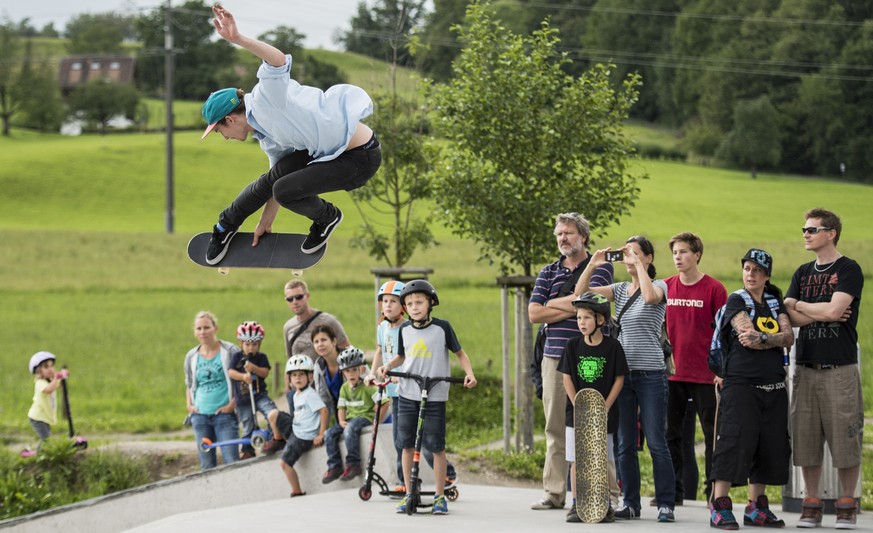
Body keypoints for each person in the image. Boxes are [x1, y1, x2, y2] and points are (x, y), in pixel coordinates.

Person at [200, 3, 381, 264]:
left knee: (285, 190)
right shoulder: (266, 136)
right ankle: (224, 228)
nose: (224, 137)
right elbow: (275, 182)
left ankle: (327, 217)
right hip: (329, 154)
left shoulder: (265, 99)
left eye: (220, 131)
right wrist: (266, 219)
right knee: (271, 181)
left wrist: (237, 39)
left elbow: (278, 60)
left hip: (359, 158)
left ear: (229, 119)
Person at [574, 236, 675, 522]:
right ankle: (631, 502)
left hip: (652, 374)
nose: (628, 258)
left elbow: (650, 297)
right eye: (626, 253)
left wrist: (639, 265)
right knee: (624, 443)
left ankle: (666, 502)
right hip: (624, 375)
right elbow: (580, 296)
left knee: (656, 441)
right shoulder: (618, 289)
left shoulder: (660, 286)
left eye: (635, 253)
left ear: (649, 258)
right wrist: (592, 265)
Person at [784, 208, 864, 530]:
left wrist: (802, 306)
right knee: (805, 437)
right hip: (806, 366)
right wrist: (814, 310)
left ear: (831, 233)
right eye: (804, 228)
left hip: (839, 368)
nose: (805, 233)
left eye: (812, 229)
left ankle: (846, 505)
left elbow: (835, 310)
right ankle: (812, 503)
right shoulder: (802, 272)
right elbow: (788, 315)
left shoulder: (849, 269)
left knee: (845, 437)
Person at [528, 212, 614, 511]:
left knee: (593, 425)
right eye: (559, 234)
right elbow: (535, 314)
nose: (563, 238)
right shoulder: (548, 272)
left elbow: (592, 304)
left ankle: (604, 494)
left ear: (583, 237)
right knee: (554, 426)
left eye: (568, 233)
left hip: (589, 356)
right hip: (553, 357)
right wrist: (576, 308)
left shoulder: (601, 268)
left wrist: (555, 304)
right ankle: (554, 492)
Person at [709, 249, 794, 530]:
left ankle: (756, 507)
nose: (751, 274)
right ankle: (720, 506)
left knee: (769, 445)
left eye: (757, 270)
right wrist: (772, 338)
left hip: (774, 386)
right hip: (741, 386)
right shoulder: (737, 300)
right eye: (747, 269)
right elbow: (747, 338)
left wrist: (765, 337)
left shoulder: (774, 301)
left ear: (767, 275)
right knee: (734, 443)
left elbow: (789, 337)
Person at [376, 280, 477, 516]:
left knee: (436, 446)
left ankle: (440, 496)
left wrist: (469, 373)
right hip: (408, 393)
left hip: (435, 395)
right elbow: (402, 357)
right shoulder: (404, 330)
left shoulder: (443, 327)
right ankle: (410, 493)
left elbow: (460, 353)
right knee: (406, 445)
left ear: (431, 302)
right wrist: (388, 365)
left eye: (419, 302)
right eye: (409, 303)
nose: (414, 307)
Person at [368, 280, 458, 493]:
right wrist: (373, 373)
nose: (387, 306)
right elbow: (380, 353)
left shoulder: (408, 328)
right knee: (402, 438)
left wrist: (403, 375)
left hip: (412, 387)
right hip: (393, 389)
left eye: (392, 301)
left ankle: (446, 474)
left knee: (426, 440)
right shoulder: (382, 327)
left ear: (403, 306)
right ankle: (406, 482)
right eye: (384, 301)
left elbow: (410, 358)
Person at [662, 232, 727, 505]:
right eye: (675, 252)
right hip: (672, 374)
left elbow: (725, 332)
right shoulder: (665, 286)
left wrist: (721, 371)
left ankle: (713, 492)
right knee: (670, 434)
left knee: (712, 435)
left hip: (705, 375)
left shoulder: (714, 289)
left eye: (684, 252)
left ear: (697, 254)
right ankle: (673, 492)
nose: (678, 257)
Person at [559, 293, 628, 523]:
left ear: (600, 320)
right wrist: (579, 404)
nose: (581, 322)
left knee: (603, 459)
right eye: (579, 318)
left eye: (587, 318)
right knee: (577, 459)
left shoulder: (613, 347)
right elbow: (567, 377)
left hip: (604, 413)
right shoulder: (572, 346)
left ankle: (605, 503)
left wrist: (604, 406)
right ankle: (578, 503)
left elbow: (619, 379)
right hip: (577, 414)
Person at [183, 311, 240, 470]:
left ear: (215, 328)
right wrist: (189, 406)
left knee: (231, 461)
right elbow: (189, 383)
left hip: (224, 416)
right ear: (195, 331)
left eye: (206, 327)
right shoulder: (191, 356)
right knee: (207, 464)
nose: (203, 332)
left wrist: (232, 405)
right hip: (200, 417)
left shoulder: (230, 351)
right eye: (199, 328)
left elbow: (241, 381)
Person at [323, 347, 390, 483]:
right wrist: (341, 420)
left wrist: (376, 421)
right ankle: (334, 466)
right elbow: (341, 407)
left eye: (354, 369)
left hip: (365, 418)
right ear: (343, 373)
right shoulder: (344, 388)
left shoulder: (368, 386)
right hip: (350, 419)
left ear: (362, 370)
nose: (351, 373)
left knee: (350, 429)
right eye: (348, 371)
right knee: (329, 433)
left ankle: (353, 464)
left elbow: (384, 403)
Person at [283, 279, 350, 406]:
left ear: (307, 296)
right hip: (299, 389)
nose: (295, 302)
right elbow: (290, 359)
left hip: (325, 388)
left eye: (298, 297)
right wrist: (288, 389)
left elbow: (346, 350)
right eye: (290, 299)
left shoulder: (327, 320)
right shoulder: (288, 327)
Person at [275, 354, 329, 497]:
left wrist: (321, 434)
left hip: (303, 437)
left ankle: (297, 491)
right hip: (296, 430)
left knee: (284, 463)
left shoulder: (310, 394)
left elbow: (324, 411)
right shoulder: (296, 395)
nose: (297, 378)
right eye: (294, 375)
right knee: (275, 416)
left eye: (301, 375)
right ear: (290, 379)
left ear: (310, 377)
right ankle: (278, 441)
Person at [226, 321, 282, 458]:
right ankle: (247, 450)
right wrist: (243, 376)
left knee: (271, 413)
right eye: (247, 345)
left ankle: (275, 438)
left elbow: (264, 373)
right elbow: (231, 372)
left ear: (260, 344)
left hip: (260, 395)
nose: (251, 348)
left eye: (254, 345)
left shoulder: (261, 357)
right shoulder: (237, 357)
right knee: (248, 424)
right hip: (243, 399)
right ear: (241, 343)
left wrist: (253, 368)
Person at [27, 351, 69, 448]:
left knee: (46, 438)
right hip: (37, 417)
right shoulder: (40, 383)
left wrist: (62, 378)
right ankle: (40, 455)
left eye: (51, 366)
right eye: (46, 367)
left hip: (44, 416)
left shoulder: (49, 381)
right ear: (38, 371)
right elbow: (49, 389)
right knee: (45, 439)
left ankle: (43, 452)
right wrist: (56, 378)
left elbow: (56, 385)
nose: (50, 369)